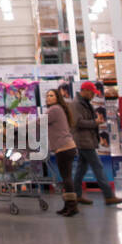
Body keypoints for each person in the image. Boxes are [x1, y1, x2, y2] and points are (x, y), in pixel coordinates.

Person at [71, 81, 122, 207]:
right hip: (83, 141)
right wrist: (95, 122)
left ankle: (76, 195)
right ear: (85, 91)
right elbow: (78, 123)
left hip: (86, 139)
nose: (93, 95)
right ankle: (109, 196)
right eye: (91, 92)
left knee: (81, 168)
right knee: (98, 167)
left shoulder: (83, 103)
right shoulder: (76, 104)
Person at [46, 87, 79, 216]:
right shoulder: (59, 109)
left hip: (64, 148)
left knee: (66, 178)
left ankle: (72, 206)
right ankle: (68, 205)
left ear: (57, 98)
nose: (49, 98)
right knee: (66, 177)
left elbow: (39, 123)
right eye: (48, 96)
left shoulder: (54, 109)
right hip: (67, 147)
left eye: (52, 95)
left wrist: (18, 128)